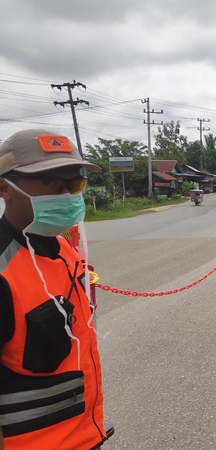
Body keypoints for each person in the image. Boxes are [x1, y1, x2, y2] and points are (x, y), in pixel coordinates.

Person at [0, 129, 110, 449]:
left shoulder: (64, 250)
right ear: (4, 187)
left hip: (86, 435)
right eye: (50, 183)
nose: (65, 195)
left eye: (73, 184)